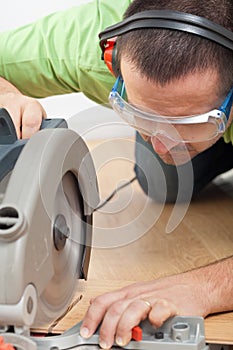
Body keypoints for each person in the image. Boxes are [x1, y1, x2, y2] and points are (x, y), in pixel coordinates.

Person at [0, 0, 232, 348]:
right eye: (145, 117)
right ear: (112, 60)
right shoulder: (85, 43)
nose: (164, 145)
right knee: (163, 182)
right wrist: (5, 93)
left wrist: (206, 287)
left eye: (188, 125)